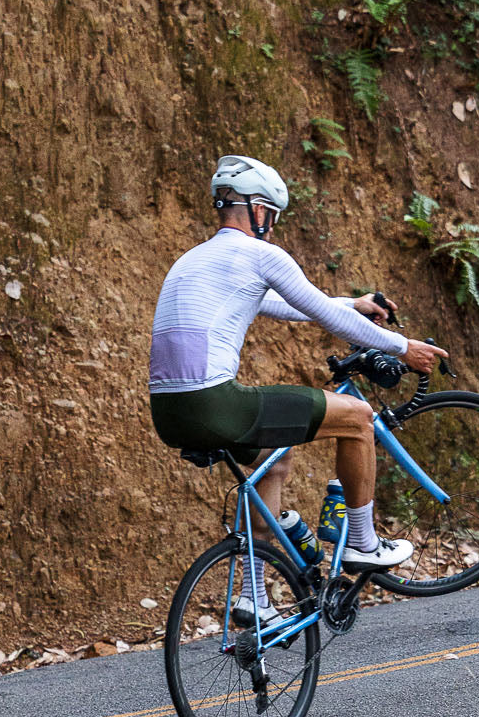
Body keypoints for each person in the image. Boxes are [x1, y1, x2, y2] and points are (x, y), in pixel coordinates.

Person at [150, 153, 448, 624]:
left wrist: (353, 302)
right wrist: (402, 347)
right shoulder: (259, 253)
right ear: (259, 210)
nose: (270, 224)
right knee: (356, 417)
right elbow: (325, 316)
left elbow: (290, 303)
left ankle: (254, 597)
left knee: (274, 459)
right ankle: (364, 544)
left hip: (169, 413)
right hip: (213, 402)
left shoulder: (196, 259)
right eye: (271, 214)